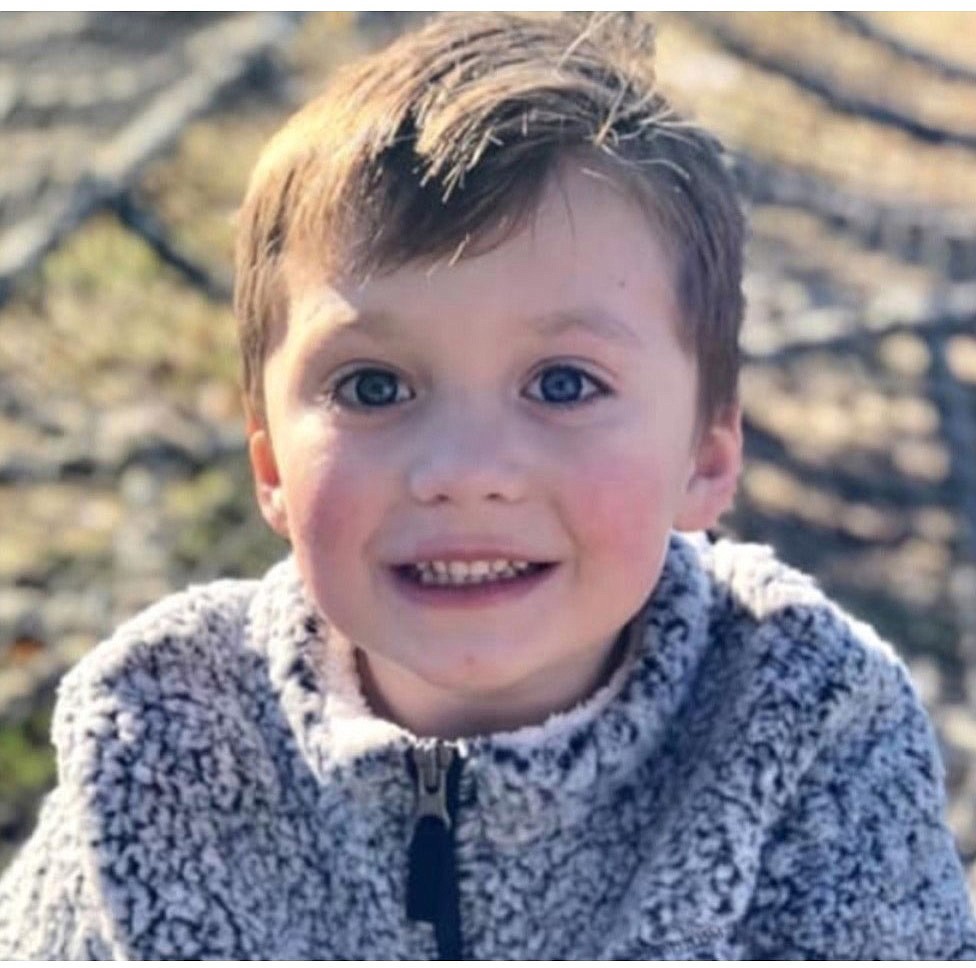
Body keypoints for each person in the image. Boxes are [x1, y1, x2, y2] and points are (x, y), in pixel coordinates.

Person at [1, 12, 974, 959]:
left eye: (563, 384)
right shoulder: (162, 735)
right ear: (270, 469)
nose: (463, 471)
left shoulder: (803, 721)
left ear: (707, 456)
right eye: (373, 387)